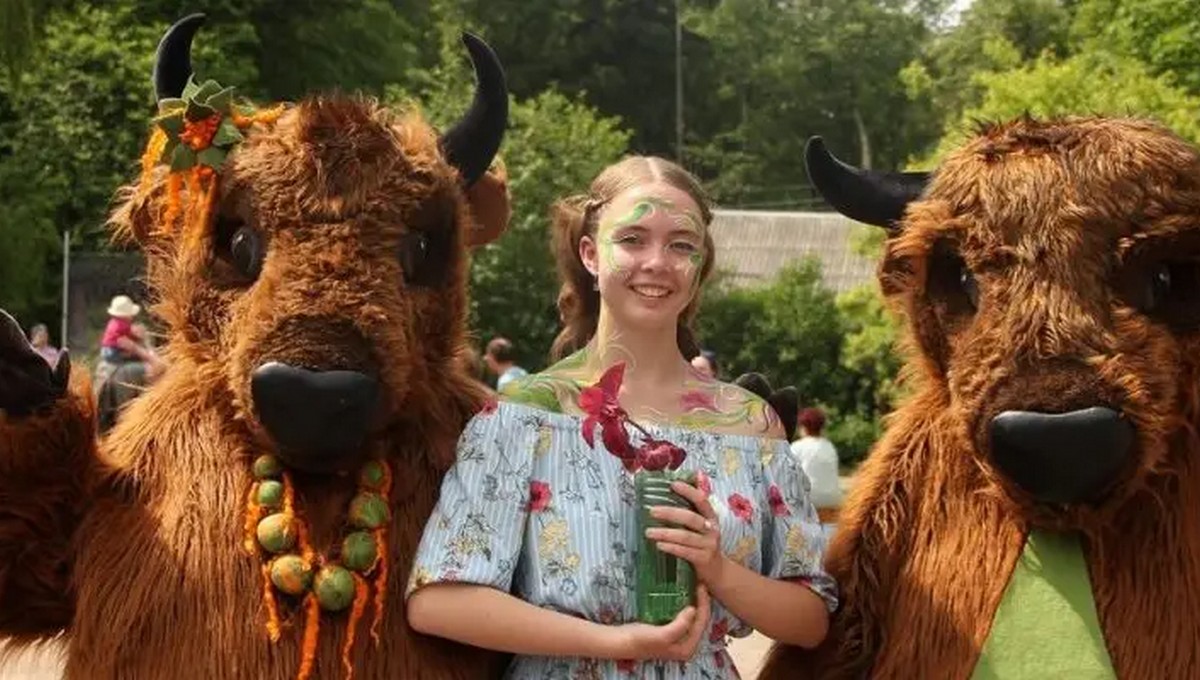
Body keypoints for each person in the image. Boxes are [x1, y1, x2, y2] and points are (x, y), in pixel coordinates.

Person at [406, 156, 836, 678]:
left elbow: (811, 619)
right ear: (590, 253)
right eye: (633, 239)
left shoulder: (750, 424)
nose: (657, 261)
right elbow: (438, 601)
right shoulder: (523, 419)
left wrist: (718, 569)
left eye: (681, 244)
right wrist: (616, 641)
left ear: (701, 263)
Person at [790, 408, 843, 527]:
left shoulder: (797, 447)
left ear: (803, 427)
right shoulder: (829, 447)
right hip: (833, 501)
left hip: (809, 502)